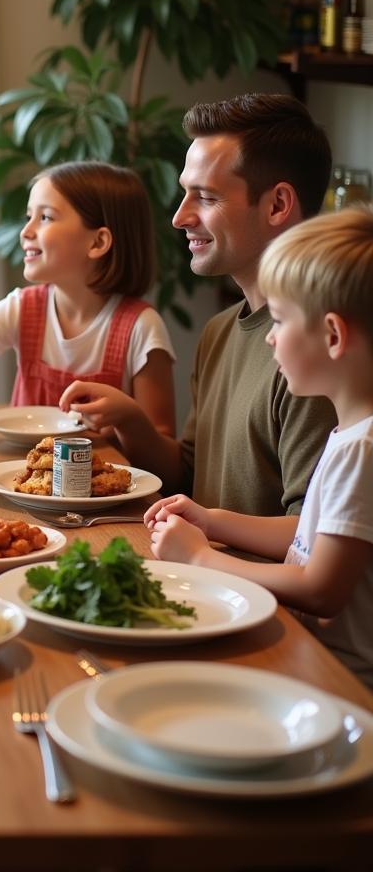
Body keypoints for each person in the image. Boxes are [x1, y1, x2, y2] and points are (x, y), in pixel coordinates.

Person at [58, 94, 337, 516]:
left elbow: (309, 537)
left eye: (205, 197)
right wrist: (131, 420)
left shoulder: (318, 348)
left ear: (278, 205)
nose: (179, 217)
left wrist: (205, 534)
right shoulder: (219, 331)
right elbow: (189, 475)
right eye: (185, 194)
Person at [148, 204, 373, 686]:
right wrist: (213, 521)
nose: (269, 339)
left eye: (281, 320)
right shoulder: (350, 432)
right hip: (311, 654)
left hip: (339, 677)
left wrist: (202, 559)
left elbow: (320, 588)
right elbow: (310, 538)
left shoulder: (363, 449)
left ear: (333, 335)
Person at [0, 161, 176, 435]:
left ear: (97, 242)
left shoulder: (142, 327)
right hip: (24, 478)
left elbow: (162, 446)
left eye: (46, 217)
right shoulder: (22, 308)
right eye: (29, 217)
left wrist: (129, 422)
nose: (26, 231)